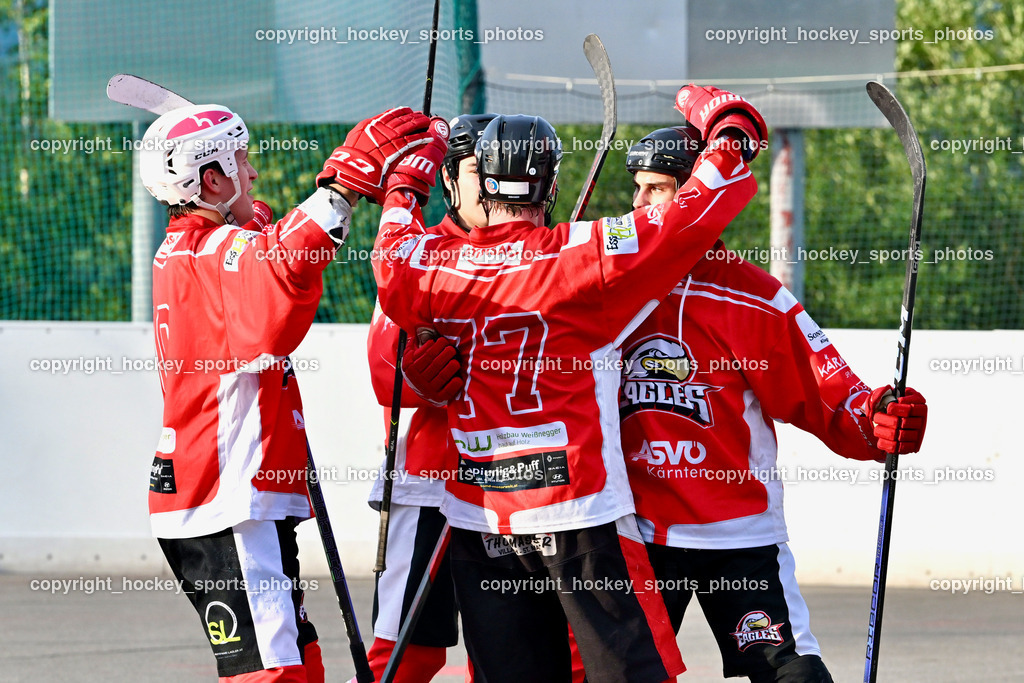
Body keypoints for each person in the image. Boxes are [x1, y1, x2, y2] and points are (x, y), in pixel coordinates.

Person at [371, 85, 766, 683]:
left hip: (481, 521)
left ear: (480, 184)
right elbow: (696, 210)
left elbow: (391, 249)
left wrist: (404, 181)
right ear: (551, 187)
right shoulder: (584, 252)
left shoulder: (428, 261)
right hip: (579, 515)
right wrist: (730, 131)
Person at [616, 124, 929, 682]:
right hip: (633, 533)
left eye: (656, 189)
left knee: (796, 677)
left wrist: (879, 416)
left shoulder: (756, 298)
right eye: (636, 188)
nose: (637, 204)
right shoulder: (609, 283)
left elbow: (833, 396)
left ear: (697, 197)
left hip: (739, 535)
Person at [142, 104, 433, 682]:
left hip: (227, 495)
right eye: (240, 163)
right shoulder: (208, 254)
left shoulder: (193, 247)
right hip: (230, 498)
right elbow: (279, 262)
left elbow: (264, 245)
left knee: (298, 663)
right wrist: (343, 184)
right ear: (211, 182)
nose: (252, 175)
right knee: (274, 674)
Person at [363, 113, 497, 683]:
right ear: (447, 181)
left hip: (520, 491)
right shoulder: (415, 254)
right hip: (429, 485)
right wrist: (411, 377)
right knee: (406, 656)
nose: (494, 185)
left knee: (508, 657)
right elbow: (380, 374)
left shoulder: (549, 250)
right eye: (478, 171)